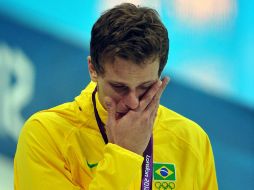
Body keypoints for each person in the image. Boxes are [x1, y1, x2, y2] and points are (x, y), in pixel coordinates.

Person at [14, 3, 218, 190]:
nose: (132, 101)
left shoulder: (191, 141)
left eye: (145, 87)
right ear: (93, 69)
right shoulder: (45, 136)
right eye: (119, 87)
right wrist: (124, 155)